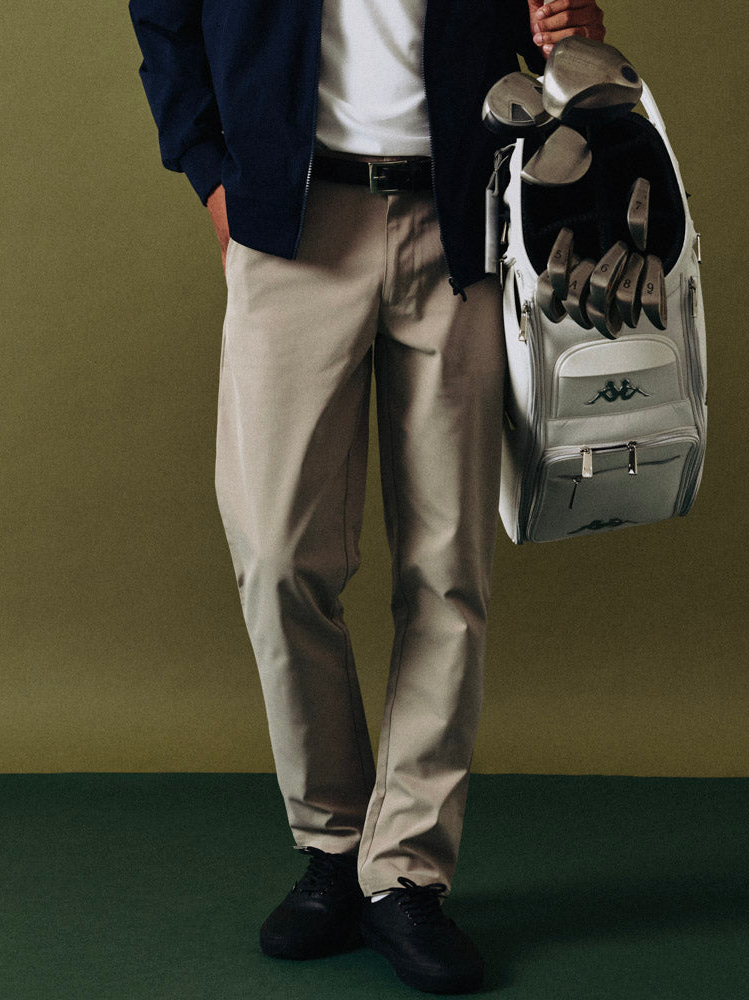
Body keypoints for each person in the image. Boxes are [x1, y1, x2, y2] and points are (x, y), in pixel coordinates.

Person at [129, 1, 605, 993]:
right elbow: (164, 16)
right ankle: (334, 845)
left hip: (463, 224)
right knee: (276, 554)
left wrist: (568, 28)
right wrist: (211, 175)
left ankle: (406, 874)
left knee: (448, 568)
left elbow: (548, 34)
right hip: (292, 218)